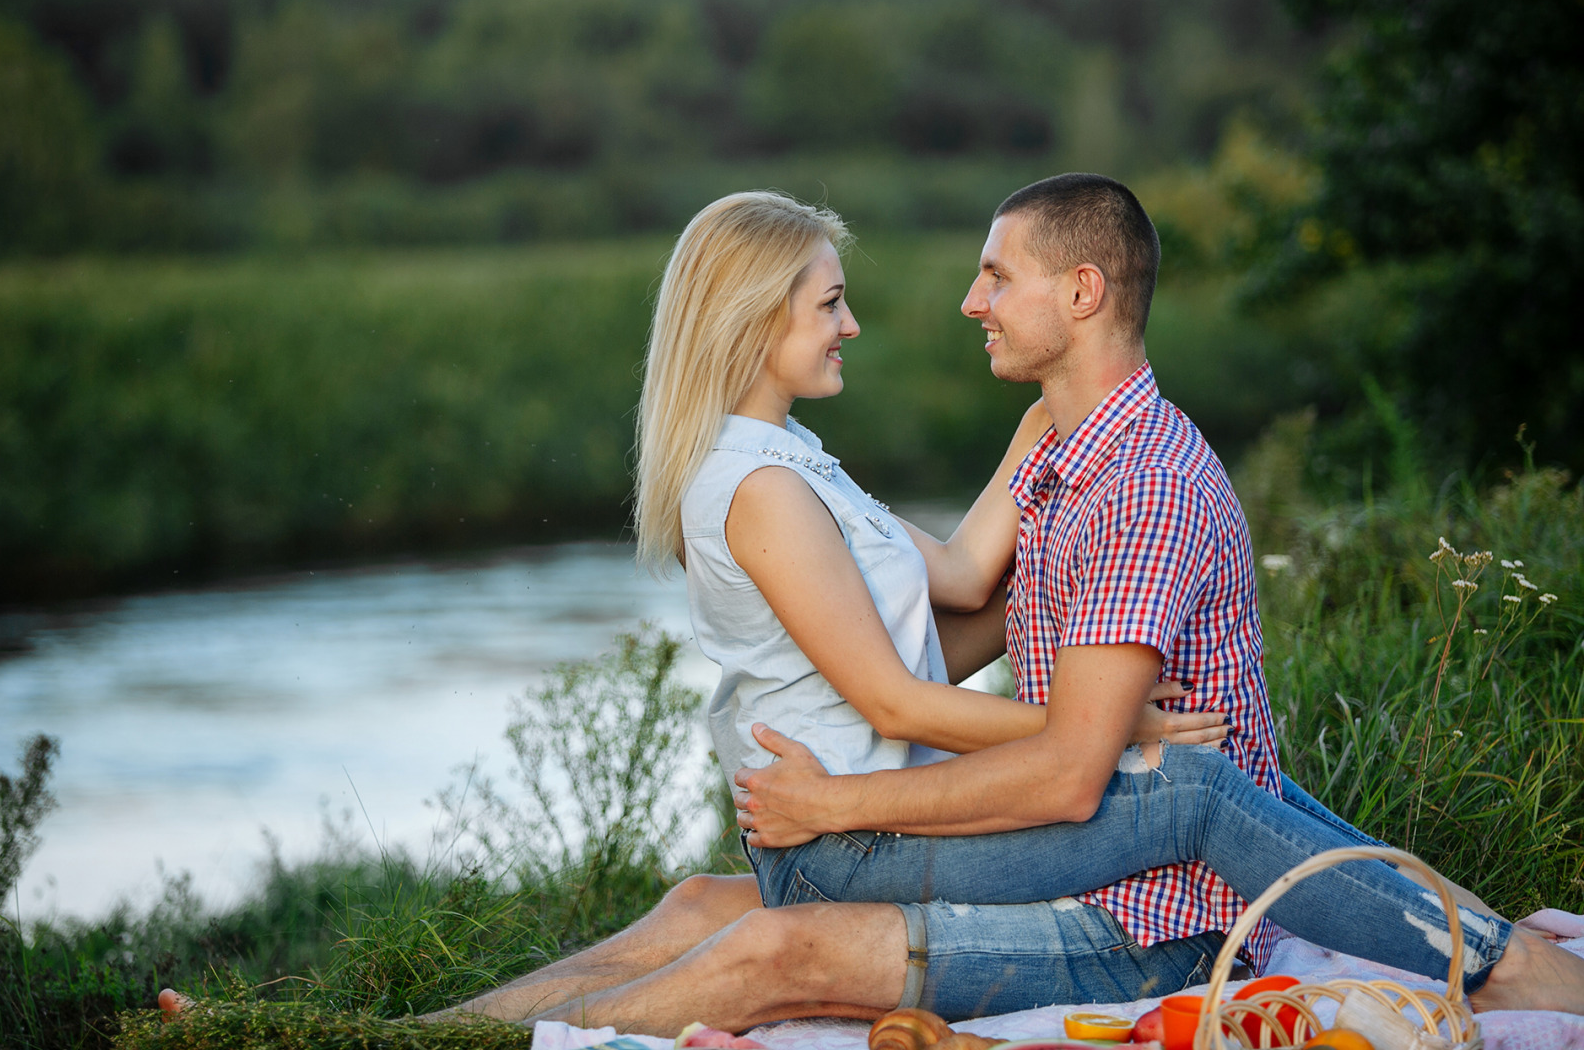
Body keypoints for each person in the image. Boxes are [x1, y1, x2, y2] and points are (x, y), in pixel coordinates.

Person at [166, 181, 1584, 1030]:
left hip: (927, 833)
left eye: (993, 279)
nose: (903, 313)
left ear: (1078, 295)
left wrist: (1046, 428)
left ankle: (373, 1031)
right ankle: (379, 1040)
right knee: (1194, 789)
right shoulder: (771, 480)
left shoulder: (848, 464)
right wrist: (1118, 705)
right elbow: (924, 701)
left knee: (702, 914)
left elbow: (953, 601)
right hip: (862, 818)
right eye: (832, 302)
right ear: (755, 324)